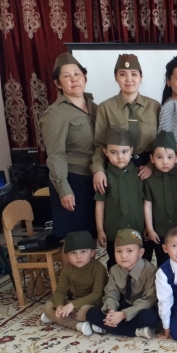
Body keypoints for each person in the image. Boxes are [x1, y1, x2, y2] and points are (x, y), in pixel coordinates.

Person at [42, 53, 98, 240]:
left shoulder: (96, 108)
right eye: (66, 76)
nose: (74, 79)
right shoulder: (55, 113)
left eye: (77, 74)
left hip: (94, 180)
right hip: (72, 181)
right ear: (58, 83)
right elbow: (55, 154)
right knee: (76, 242)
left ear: (85, 77)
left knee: (95, 238)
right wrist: (64, 189)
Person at [92, 54, 160, 193]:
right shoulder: (106, 107)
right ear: (116, 77)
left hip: (148, 167)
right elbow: (100, 145)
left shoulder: (154, 106)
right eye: (123, 74)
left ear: (141, 77)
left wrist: (151, 166)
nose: (129, 79)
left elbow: (161, 143)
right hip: (117, 169)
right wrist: (98, 169)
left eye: (134, 74)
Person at [85, 228, 160, 338]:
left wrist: (124, 314)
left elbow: (149, 300)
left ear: (141, 253)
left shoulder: (150, 271)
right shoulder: (115, 270)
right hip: (124, 304)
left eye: (129, 251)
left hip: (141, 308)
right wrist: (111, 311)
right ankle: (135, 331)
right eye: (119, 251)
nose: (123, 256)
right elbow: (111, 293)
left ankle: (114, 327)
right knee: (91, 313)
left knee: (150, 317)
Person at [95, 128, 144, 270]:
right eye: (113, 152)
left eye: (124, 152)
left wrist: (148, 226)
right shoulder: (104, 177)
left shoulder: (139, 174)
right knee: (115, 264)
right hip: (113, 231)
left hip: (137, 228)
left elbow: (146, 202)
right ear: (105, 152)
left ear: (131, 151)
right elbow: (100, 204)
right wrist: (100, 229)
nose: (120, 157)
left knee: (139, 264)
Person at [41, 231, 107, 335]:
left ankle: (56, 318)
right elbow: (60, 291)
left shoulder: (99, 269)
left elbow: (96, 294)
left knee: (85, 312)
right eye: (73, 253)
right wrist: (59, 306)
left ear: (92, 253)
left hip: (93, 305)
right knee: (48, 306)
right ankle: (78, 325)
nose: (78, 256)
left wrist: (72, 305)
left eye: (83, 252)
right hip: (75, 303)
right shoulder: (67, 269)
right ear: (67, 255)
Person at [143, 130, 177, 266]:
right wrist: (150, 229)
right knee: (163, 263)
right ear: (152, 159)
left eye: (169, 157)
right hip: (159, 232)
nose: (165, 162)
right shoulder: (149, 180)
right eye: (159, 157)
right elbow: (147, 206)